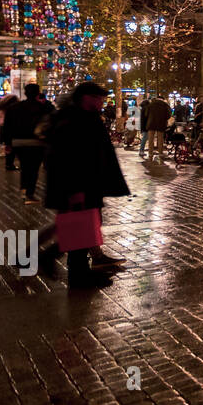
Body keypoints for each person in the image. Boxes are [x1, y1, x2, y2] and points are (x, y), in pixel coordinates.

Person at [39, 81, 129, 288]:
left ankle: (77, 271)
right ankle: (73, 273)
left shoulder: (83, 117)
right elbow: (68, 158)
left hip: (89, 183)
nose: (101, 102)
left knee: (85, 228)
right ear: (85, 98)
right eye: (98, 98)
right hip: (79, 186)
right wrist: (75, 190)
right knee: (79, 229)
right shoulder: (73, 120)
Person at [4, 84, 54, 205]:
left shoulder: (14, 108)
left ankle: (24, 190)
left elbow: (7, 126)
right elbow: (53, 116)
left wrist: (8, 143)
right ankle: (29, 194)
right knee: (33, 168)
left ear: (25, 93)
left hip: (18, 142)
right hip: (36, 142)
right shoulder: (43, 107)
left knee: (25, 166)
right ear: (38, 93)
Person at [144, 93, 171, 162]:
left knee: (150, 139)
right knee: (160, 139)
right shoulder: (165, 105)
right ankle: (160, 154)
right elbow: (168, 115)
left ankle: (150, 154)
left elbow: (146, 114)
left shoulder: (150, 105)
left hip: (151, 124)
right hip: (161, 124)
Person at [0, 94, 20, 170]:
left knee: (8, 147)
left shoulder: (1, 108)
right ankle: (9, 164)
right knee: (11, 147)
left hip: (3, 128)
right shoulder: (9, 109)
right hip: (9, 128)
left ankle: (8, 164)